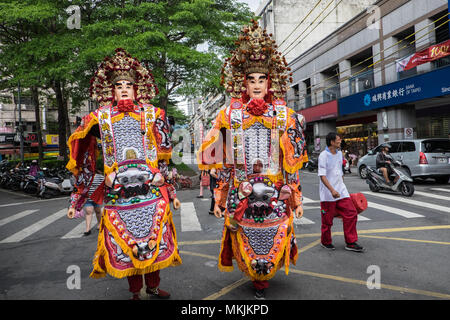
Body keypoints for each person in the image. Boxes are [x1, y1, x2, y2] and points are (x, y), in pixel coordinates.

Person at [197, 20, 306, 300]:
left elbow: (290, 164)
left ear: (270, 82)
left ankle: (262, 280)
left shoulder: (285, 116)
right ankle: (256, 279)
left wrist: (296, 198)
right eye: (251, 80)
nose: (256, 85)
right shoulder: (229, 116)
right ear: (243, 83)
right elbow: (223, 162)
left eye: (262, 79)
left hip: (275, 191)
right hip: (241, 190)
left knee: (272, 234)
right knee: (246, 235)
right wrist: (220, 198)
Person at [66, 48, 182, 300]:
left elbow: (163, 159)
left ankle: (152, 286)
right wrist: (78, 196)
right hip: (119, 197)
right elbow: (84, 156)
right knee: (126, 244)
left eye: (129, 84)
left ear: (136, 88)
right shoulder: (100, 118)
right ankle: (135, 292)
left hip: (151, 193)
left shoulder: (153, 114)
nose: (125, 89)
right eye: (119, 85)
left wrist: (170, 191)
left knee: (155, 241)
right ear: (112, 91)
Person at [318, 132, 364, 252]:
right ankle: (326, 241)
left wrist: (341, 186)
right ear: (332, 142)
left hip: (342, 192)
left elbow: (339, 171)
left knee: (351, 213)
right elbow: (322, 176)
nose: (340, 141)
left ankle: (351, 241)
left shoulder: (339, 154)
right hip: (328, 194)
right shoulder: (323, 156)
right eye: (338, 139)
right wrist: (332, 190)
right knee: (327, 221)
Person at [82, 164, 104, 236]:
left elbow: (104, 185)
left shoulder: (100, 176)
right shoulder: (83, 177)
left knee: (98, 211)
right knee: (89, 211)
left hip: (97, 198)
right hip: (87, 198)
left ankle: (99, 224)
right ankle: (87, 229)